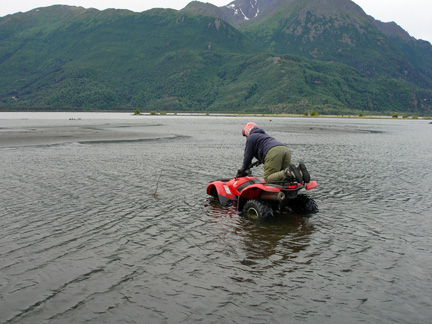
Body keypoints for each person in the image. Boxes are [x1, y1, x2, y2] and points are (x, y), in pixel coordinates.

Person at [237, 122, 307, 182]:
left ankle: (288, 171)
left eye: (245, 136)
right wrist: (260, 160)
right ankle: (299, 172)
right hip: (285, 149)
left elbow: (247, 157)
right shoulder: (264, 136)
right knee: (285, 179)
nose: (246, 137)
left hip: (273, 152)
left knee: (268, 178)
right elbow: (265, 148)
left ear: (247, 131)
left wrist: (243, 170)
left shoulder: (251, 137)